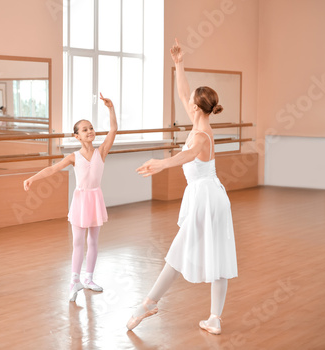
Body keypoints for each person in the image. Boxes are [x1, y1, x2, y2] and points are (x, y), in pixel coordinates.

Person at [127, 39, 238, 334]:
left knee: (179, 251)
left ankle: (149, 303)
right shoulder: (198, 121)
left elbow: (188, 154)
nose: (186, 100)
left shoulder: (202, 135)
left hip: (207, 196)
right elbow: (182, 92)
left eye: (191, 100)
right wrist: (178, 63)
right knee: (214, 252)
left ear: (196, 106)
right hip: (209, 195)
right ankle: (213, 318)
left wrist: (161, 164)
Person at [23, 93, 118, 302]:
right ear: (77, 136)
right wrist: (33, 178)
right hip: (81, 200)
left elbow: (113, 130)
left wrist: (110, 108)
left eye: (91, 128)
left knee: (94, 240)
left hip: (95, 198)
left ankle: (89, 278)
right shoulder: (73, 157)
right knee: (78, 241)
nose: (90, 131)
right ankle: (74, 280)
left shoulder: (101, 152)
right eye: (85, 130)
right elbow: (52, 169)